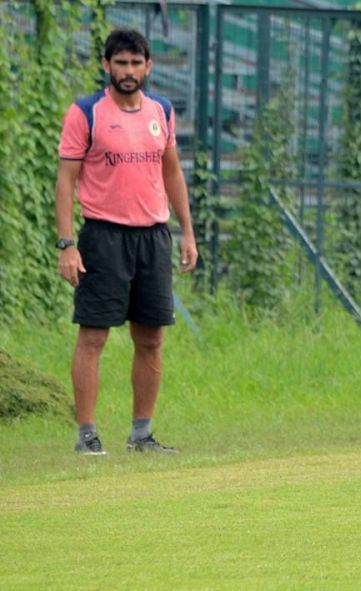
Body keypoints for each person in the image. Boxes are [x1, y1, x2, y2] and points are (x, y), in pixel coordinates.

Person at [55, 28, 198, 455]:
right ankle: (87, 436)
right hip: (103, 237)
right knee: (93, 337)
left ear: (148, 66)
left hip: (154, 237)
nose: (129, 71)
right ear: (106, 65)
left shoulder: (162, 111)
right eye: (121, 63)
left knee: (152, 338)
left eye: (136, 63)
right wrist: (67, 244)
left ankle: (141, 435)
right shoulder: (86, 113)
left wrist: (186, 231)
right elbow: (66, 180)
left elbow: (172, 172)